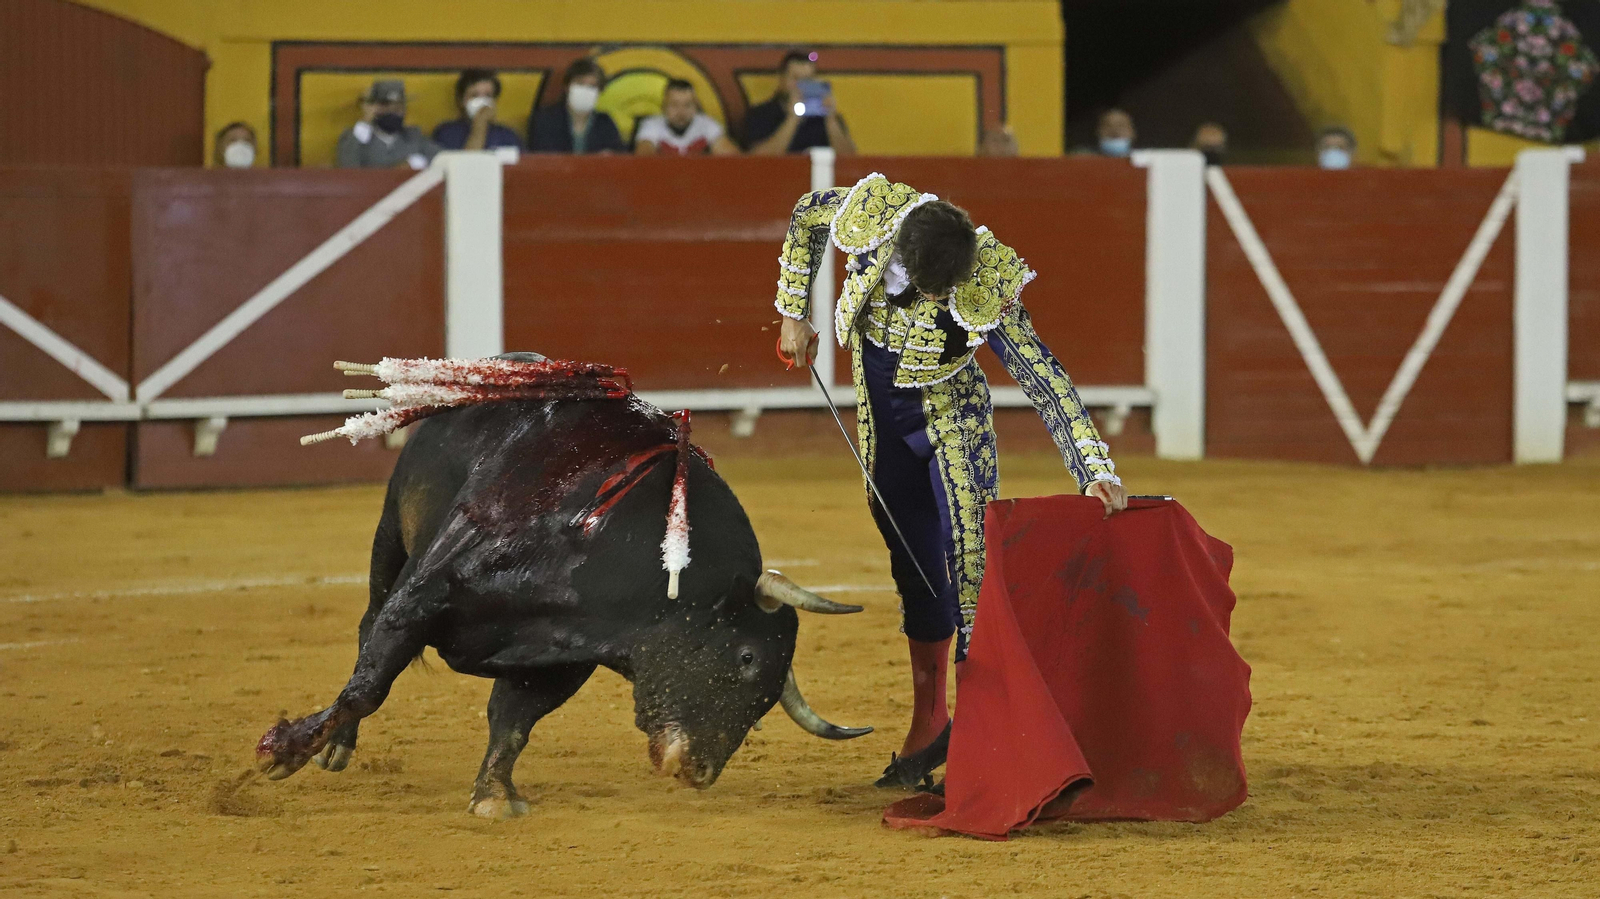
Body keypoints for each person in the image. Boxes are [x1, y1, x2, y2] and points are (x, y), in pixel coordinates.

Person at [770, 175, 1127, 788]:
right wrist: (790, 314)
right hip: (880, 415)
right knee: (912, 564)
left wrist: (1093, 466)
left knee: (971, 566)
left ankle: (987, 731)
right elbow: (807, 214)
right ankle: (930, 721)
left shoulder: (983, 276)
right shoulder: (873, 215)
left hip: (952, 421)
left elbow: (1043, 376)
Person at [744, 50, 856, 156]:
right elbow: (757, 161)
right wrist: (793, 118)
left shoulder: (827, 118)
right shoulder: (761, 115)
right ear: (782, 79)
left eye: (807, 80)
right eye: (796, 79)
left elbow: (850, 160)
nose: (801, 86)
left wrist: (831, 119)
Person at [527, 58, 625, 154]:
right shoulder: (545, 119)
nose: (585, 90)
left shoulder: (605, 123)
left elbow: (618, 157)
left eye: (592, 86)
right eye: (580, 83)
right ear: (567, 86)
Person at [335, 80, 438, 170]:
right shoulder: (355, 138)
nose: (392, 111)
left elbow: (441, 156)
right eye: (385, 105)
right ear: (374, 108)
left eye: (398, 106)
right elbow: (348, 167)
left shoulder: (413, 135)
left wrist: (413, 163)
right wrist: (365, 121)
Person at [633, 79, 739, 156]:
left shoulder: (707, 125)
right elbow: (643, 158)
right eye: (674, 105)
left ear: (696, 107)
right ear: (664, 107)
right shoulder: (651, 125)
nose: (681, 112)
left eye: (687, 105)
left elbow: (733, 159)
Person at [432, 69, 523, 152]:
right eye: (474, 95)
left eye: (488, 96)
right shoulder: (447, 133)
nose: (482, 102)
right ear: (461, 100)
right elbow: (465, 165)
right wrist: (480, 123)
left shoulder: (508, 135)